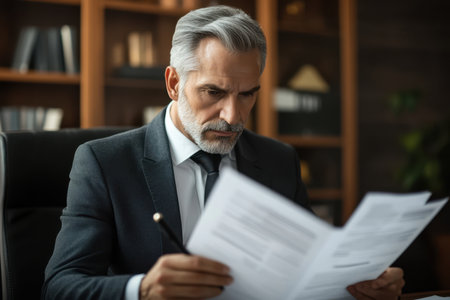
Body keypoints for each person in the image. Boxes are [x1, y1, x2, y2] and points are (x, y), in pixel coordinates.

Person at [42, 5, 405, 300]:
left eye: (247, 94)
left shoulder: (280, 160)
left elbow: (305, 270)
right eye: (213, 92)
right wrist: (143, 289)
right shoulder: (104, 163)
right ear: (173, 83)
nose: (232, 117)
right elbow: (59, 287)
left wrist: (355, 284)